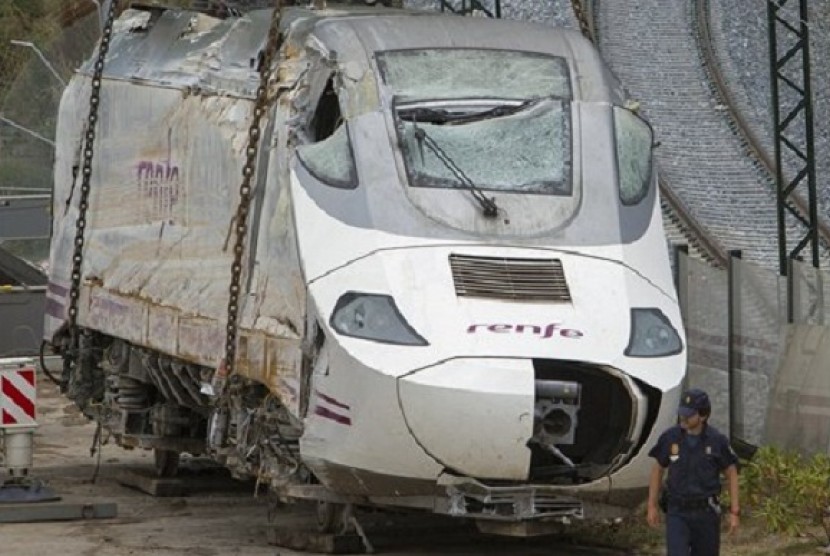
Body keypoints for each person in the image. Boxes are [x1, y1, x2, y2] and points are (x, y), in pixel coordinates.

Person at [646, 388, 740, 555]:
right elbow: (658, 469)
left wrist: (734, 511)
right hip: (677, 511)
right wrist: (652, 505)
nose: (684, 418)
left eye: (689, 415)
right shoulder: (671, 437)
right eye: (682, 413)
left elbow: (731, 472)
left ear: (702, 416)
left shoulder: (717, 441)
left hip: (706, 513)